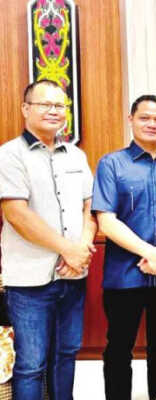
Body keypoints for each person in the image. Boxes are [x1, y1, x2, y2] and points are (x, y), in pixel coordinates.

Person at [92, 95, 156, 399]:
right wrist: (150, 253)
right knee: (119, 348)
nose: (152, 124)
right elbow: (106, 221)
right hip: (124, 276)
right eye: (145, 118)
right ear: (131, 119)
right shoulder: (112, 164)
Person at [0, 79, 97, 399]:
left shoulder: (76, 156)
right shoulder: (9, 155)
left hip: (74, 276)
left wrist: (82, 249)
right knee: (31, 364)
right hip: (30, 281)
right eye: (45, 104)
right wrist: (69, 250)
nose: (54, 110)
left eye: (60, 105)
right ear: (25, 109)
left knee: (66, 354)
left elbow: (90, 208)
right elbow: (17, 215)